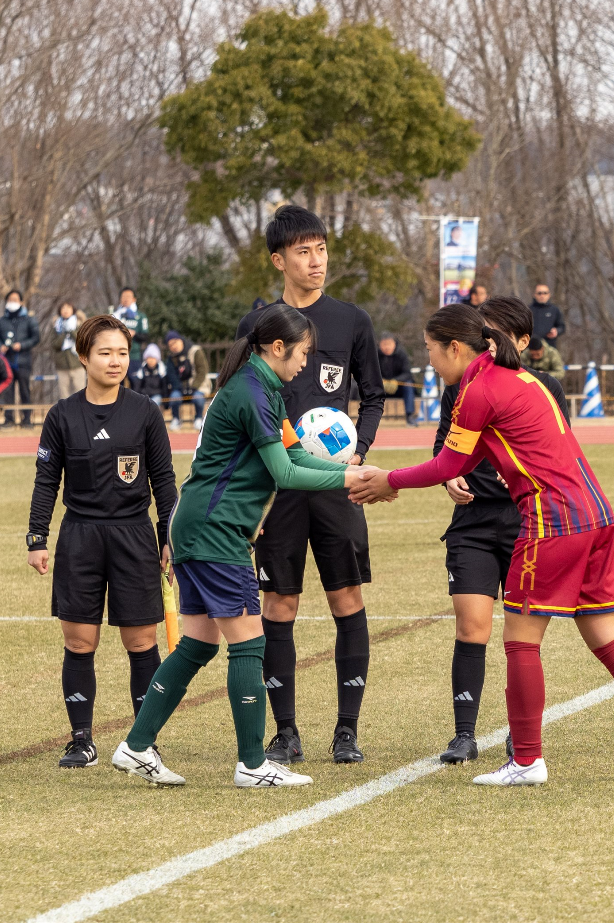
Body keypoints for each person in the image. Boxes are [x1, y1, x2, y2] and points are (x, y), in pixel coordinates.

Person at [351, 304, 614, 786]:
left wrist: (390, 480)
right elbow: (474, 455)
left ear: (455, 348)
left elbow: (448, 464)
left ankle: (526, 761)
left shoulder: (478, 389)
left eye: (430, 350)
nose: (427, 362)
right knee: (608, 638)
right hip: (596, 515)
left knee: (520, 642)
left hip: (551, 522)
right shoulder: (521, 379)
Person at [111, 305, 377, 789]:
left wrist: (353, 475)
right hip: (215, 531)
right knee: (250, 643)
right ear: (277, 348)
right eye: (301, 353)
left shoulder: (265, 391)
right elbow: (286, 474)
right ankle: (252, 764)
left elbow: (296, 454)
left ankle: (135, 746)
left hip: (195, 526)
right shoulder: (253, 394)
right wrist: (349, 476)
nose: (304, 363)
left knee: (196, 644)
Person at [235, 204, 385, 766]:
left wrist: (358, 453)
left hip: (337, 486)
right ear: (279, 260)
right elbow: (242, 395)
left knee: (347, 598)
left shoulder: (352, 321)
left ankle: (347, 730)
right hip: (276, 489)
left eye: (321, 249)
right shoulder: (257, 325)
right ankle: (286, 731)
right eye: (303, 251)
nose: (316, 261)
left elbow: (373, 395)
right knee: (279, 604)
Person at [26, 314, 178, 770]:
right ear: (83, 357)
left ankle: (142, 741)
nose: (116, 362)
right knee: (79, 642)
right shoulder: (62, 415)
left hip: (133, 536)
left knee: (140, 641)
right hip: (80, 537)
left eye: (122, 353)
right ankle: (81, 740)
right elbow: (46, 481)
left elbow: (165, 483)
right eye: (105, 353)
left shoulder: (145, 411)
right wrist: (37, 537)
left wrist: (169, 537)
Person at [433, 296, 570, 765]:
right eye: (480, 334)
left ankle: (520, 736)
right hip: (472, 524)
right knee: (471, 627)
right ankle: (464, 735)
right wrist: (449, 477)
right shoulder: (462, 383)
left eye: (493, 334)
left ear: (524, 341)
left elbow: (553, 456)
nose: (485, 343)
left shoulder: (544, 385)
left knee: (520, 636)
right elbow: (444, 449)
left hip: (526, 526)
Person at [0, 289, 40, 427]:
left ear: (21, 302)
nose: (12, 302)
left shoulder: (29, 320)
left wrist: (22, 345)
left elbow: (36, 337)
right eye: (10, 300)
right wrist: (0, 346)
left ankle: (27, 420)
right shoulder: (1, 321)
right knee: (8, 392)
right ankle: (9, 420)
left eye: (15, 300)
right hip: (6, 362)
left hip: (23, 361)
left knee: (25, 390)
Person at [164, 331, 210, 431]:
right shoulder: (171, 358)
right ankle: (176, 419)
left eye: (175, 342)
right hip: (179, 388)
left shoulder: (196, 351)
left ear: (181, 340)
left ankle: (198, 418)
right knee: (174, 398)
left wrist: (193, 387)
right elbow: (171, 375)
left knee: (198, 398)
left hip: (198, 385)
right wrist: (181, 388)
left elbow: (202, 371)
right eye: (170, 345)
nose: (174, 346)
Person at [377, 333, 419, 426]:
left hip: (398, 386)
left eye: (389, 344)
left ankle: (410, 416)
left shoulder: (402, 354)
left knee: (408, 385)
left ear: (394, 344)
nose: (387, 347)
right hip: (381, 386)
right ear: (380, 345)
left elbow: (407, 373)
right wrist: (381, 381)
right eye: (384, 344)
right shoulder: (375, 355)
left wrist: (395, 381)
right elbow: (371, 372)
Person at [53, 301, 88, 400]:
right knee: (64, 395)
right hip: (62, 364)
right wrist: (64, 333)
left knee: (80, 393)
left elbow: (81, 341)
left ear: (73, 310)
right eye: (63, 308)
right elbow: (55, 345)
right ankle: (65, 415)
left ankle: (81, 414)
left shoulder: (80, 324)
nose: (65, 310)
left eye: (68, 307)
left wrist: (71, 331)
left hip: (77, 363)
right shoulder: (56, 326)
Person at [112, 288, 150, 371]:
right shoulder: (115, 316)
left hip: (134, 356)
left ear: (134, 299)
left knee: (135, 382)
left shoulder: (141, 316)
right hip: (116, 356)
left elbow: (145, 336)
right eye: (123, 296)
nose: (126, 299)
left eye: (128, 296)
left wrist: (134, 334)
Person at [130, 343, 179, 408]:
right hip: (144, 395)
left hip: (157, 395)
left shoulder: (161, 370)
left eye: (153, 358)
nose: (151, 360)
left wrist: (166, 402)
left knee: (153, 403)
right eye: (149, 358)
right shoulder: (142, 370)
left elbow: (165, 387)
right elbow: (137, 386)